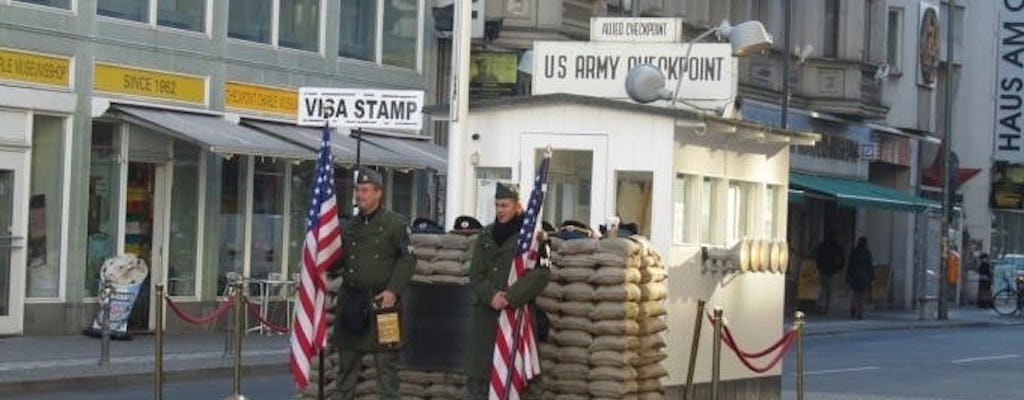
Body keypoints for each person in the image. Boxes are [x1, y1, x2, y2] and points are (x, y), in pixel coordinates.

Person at [331, 168, 415, 400]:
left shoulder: (395, 224)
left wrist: (393, 290)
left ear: (378, 193)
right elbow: (338, 261)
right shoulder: (349, 226)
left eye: (365, 190)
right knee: (346, 368)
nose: (360, 195)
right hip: (352, 302)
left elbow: (407, 258)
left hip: (383, 305)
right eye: (358, 190)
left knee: (387, 370)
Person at [464, 182, 550, 400]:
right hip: (486, 316)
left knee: (521, 376)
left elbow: (541, 274)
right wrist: (492, 297)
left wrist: (510, 298)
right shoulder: (486, 235)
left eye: (505, 205)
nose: (500, 210)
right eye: (497, 205)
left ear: (518, 206)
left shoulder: (533, 238)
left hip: (516, 316)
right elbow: (476, 274)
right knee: (479, 377)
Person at [815, 230, 844, 312]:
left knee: (824, 288)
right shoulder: (837, 247)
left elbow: (818, 257)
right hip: (833, 270)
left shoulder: (823, 246)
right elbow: (842, 259)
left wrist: (819, 267)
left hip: (824, 270)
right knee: (831, 289)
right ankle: (830, 306)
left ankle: (823, 306)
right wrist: (839, 268)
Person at [847, 236, 874, 320]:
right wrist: (872, 278)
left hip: (854, 276)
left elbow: (850, 265)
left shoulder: (854, 252)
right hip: (864, 277)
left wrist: (848, 277)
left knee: (855, 294)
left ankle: (853, 307)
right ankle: (860, 312)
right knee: (863, 296)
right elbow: (870, 267)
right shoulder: (867, 253)